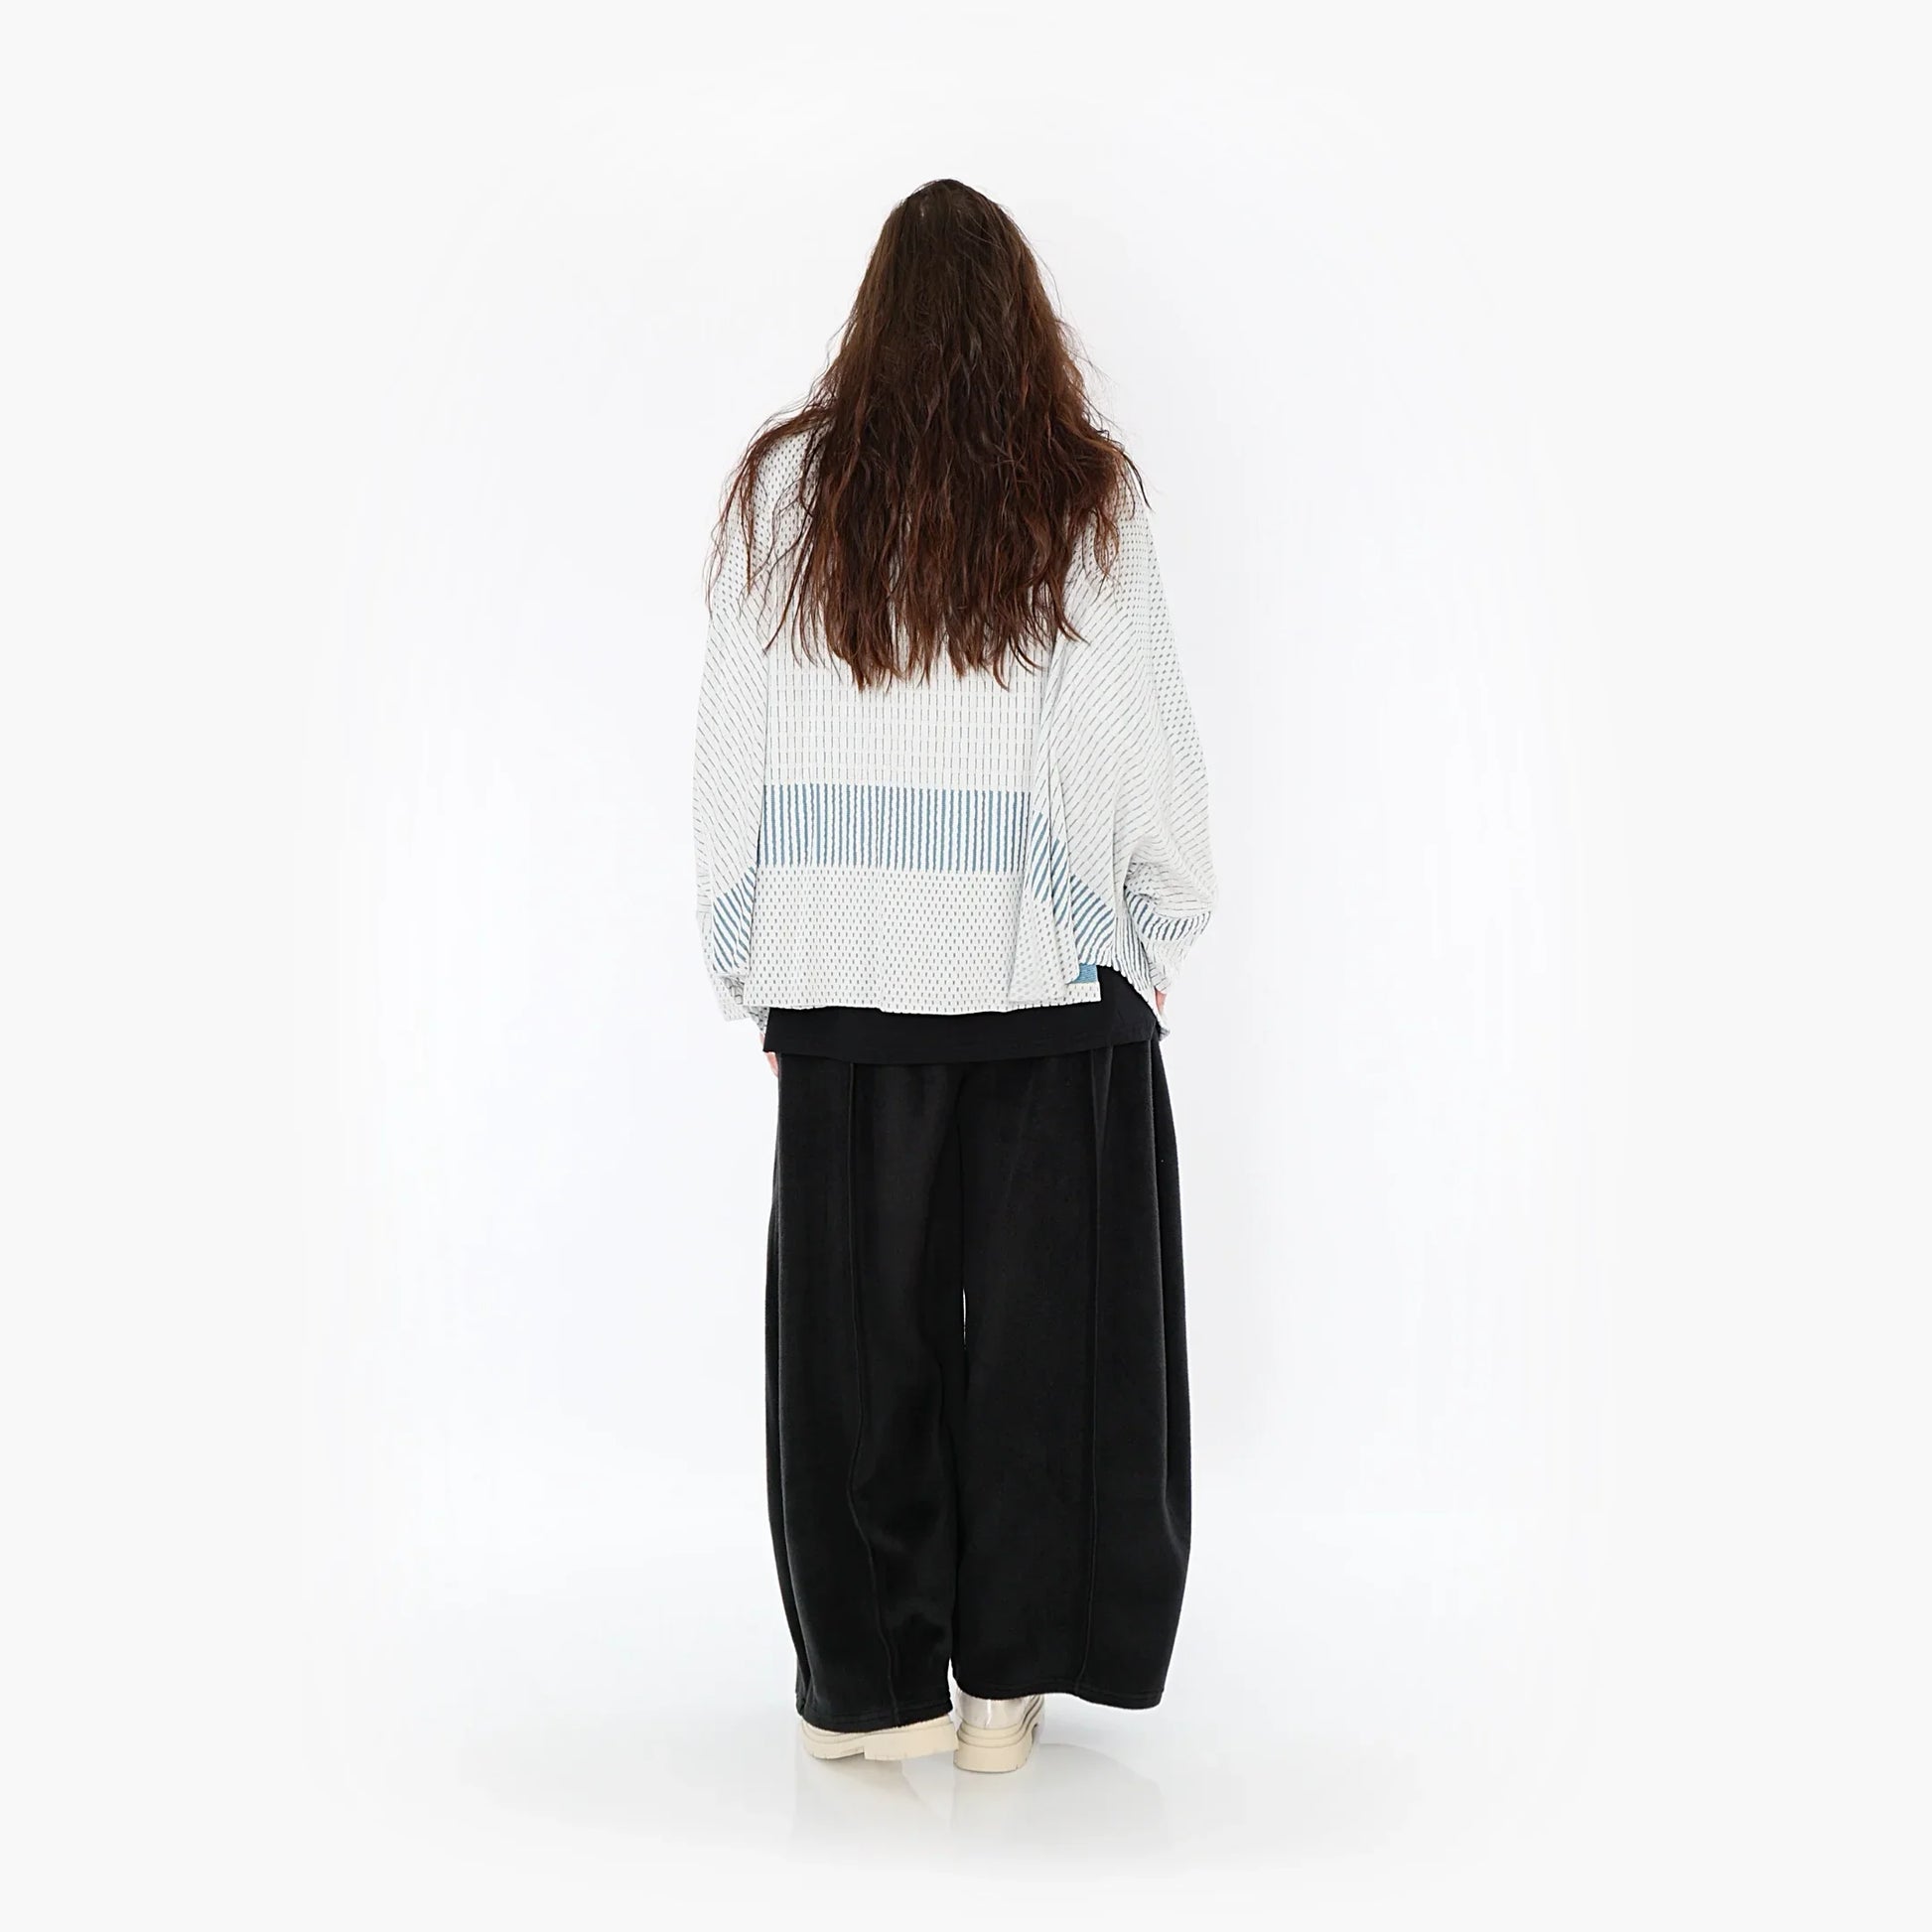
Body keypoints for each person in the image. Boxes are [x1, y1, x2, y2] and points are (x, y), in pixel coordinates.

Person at [692, 179, 1214, 1774]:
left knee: (855, 1352)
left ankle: (878, 1692)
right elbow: (1135, 731)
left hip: (848, 992)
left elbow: (732, 742)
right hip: (1048, 986)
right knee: (1052, 1347)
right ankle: (1004, 1688)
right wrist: (1150, 925)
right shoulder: (1083, 492)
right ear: (1022, 322)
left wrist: (753, 963)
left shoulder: (785, 492)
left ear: (874, 314)